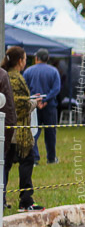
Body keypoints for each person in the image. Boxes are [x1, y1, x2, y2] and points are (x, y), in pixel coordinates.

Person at [2, 47, 42, 212]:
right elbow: (19, 106)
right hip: (18, 132)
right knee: (27, 161)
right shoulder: (15, 78)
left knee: (5, 165)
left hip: (7, 129)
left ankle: (2, 199)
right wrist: (34, 103)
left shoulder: (6, 75)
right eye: (25, 58)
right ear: (20, 61)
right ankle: (26, 201)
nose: (26, 62)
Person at [23, 48, 61, 165]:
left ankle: (34, 158)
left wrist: (36, 100)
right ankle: (51, 158)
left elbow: (24, 88)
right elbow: (56, 89)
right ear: (48, 59)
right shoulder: (54, 71)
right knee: (50, 133)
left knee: (34, 132)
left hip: (33, 105)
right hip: (50, 106)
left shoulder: (28, 71)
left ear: (36, 58)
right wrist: (46, 100)